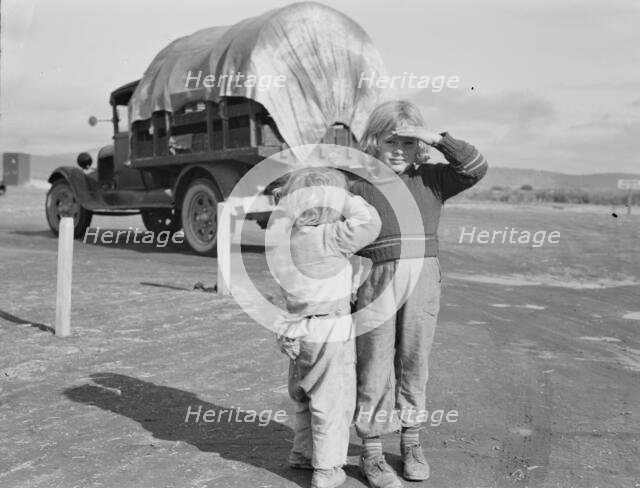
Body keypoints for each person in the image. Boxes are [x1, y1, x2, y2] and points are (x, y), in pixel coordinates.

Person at [350, 100, 488, 488]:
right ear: (373, 141)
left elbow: (475, 166)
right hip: (374, 280)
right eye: (390, 140)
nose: (398, 149)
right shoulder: (357, 183)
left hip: (423, 279)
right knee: (374, 362)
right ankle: (373, 452)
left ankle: (411, 442)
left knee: (414, 360)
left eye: (409, 143)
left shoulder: (432, 179)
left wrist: (434, 139)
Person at [270, 167, 381, 488]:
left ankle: (303, 454)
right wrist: (349, 199)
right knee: (332, 403)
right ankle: (328, 469)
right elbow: (371, 222)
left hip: (294, 329)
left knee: (305, 396)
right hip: (329, 332)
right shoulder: (333, 236)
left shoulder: (285, 241)